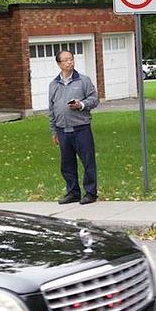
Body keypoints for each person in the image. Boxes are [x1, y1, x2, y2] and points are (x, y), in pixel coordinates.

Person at [48, 49, 100, 205]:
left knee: (88, 161)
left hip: (81, 128)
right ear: (59, 64)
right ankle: (73, 192)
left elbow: (94, 99)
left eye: (71, 59)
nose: (69, 62)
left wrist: (81, 105)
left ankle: (90, 193)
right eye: (66, 60)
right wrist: (53, 131)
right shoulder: (53, 84)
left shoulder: (83, 81)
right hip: (62, 130)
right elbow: (51, 108)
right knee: (67, 163)